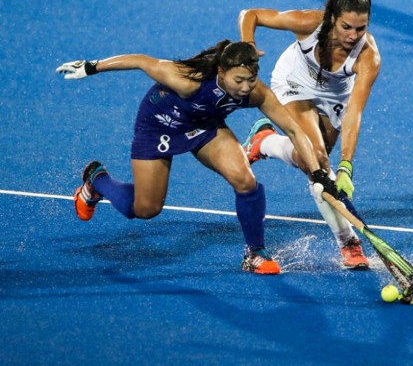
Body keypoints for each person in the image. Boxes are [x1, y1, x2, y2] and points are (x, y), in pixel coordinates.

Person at [56, 40, 338, 274]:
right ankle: (97, 179)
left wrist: (316, 172)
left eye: (250, 80)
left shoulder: (256, 93)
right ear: (221, 71)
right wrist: (92, 67)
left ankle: (255, 253)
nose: (244, 87)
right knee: (144, 209)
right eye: (238, 80)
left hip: (205, 126)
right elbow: (143, 61)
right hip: (159, 124)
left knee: (245, 181)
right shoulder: (187, 79)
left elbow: (292, 128)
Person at [238, 0, 381, 269]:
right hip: (293, 82)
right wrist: (248, 47)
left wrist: (346, 166)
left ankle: (264, 142)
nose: (354, 36)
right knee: (317, 163)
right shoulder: (308, 23)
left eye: (361, 28)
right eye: (346, 27)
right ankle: (348, 241)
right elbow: (249, 14)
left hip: (336, 97)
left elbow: (354, 112)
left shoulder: (368, 57)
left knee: (313, 157)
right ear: (331, 19)